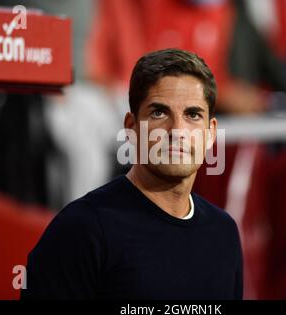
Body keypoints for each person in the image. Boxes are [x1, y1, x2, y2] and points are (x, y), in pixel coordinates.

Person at [21, 48, 243, 300]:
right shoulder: (81, 230)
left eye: (193, 115)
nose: (177, 131)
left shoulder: (223, 233)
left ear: (211, 133)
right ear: (131, 128)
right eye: (159, 113)